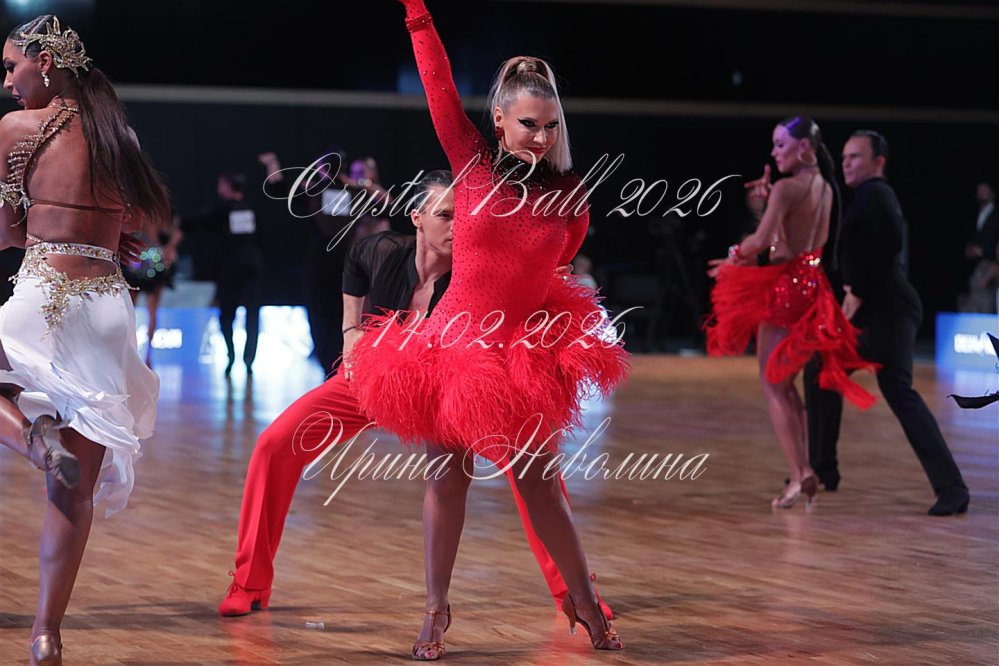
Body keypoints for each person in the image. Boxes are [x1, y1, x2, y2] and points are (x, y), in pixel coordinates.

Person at [345, 1, 630, 657]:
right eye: (528, 124)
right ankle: (435, 610)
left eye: (551, 126)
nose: (541, 137)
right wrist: (418, 15)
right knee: (446, 481)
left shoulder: (570, 199)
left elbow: (553, 268)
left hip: (516, 358)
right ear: (499, 119)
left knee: (541, 490)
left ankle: (584, 600)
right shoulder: (470, 163)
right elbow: (438, 85)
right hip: (451, 350)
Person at [218, 171, 611, 624]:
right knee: (275, 444)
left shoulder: (480, 274)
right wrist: (351, 330)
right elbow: (354, 266)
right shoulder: (381, 250)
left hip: (454, 389)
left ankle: (573, 592)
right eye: (445, 215)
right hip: (380, 378)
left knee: (532, 467)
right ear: (417, 217)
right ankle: (249, 582)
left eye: (465, 218)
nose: (458, 226)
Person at [0, 15, 168, 664]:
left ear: (44, 62)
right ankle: (46, 635)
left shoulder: (17, 130)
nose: (7, 82)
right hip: (106, 311)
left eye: (11, 67)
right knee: (73, 494)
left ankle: (33, 441)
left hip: (43, 294)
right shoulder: (117, 134)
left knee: (41, 442)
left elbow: (6, 232)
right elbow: (136, 226)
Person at [705, 116, 878, 511]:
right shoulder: (825, 186)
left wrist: (734, 256)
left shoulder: (788, 187)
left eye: (780, 144)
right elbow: (792, 239)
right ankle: (805, 467)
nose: (774, 152)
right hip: (814, 287)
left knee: (773, 384)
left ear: (803, 147)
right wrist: (770, 205)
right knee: (785, 384)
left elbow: (764, 240)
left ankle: (801, 473)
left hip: (786, 290)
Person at [807, 130, 970, 516]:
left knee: (897, 390)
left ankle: (953, 488)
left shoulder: (877, 194)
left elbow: (891, 240)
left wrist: (858, 292)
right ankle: (823, 468)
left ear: (878, 162)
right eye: (844, 157)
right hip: (871, 310)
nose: (847, 163)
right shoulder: (863, 197)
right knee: (820, 369)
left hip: (890, 311)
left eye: (855, 157)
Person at [186, 170, 263, 376]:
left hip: (233, 271)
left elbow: (196, 221)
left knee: (231, 315)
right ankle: (242, 358)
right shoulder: (250, 208)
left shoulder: (222, 210)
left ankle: (240, 358)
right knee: (246, 316)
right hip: (247, 269)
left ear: (228, 186)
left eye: (221, 184)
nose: (218, 188)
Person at [123, 210, 183, 366]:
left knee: (131, 311)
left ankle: (133, 353)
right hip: (151, 262)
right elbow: (175, 233)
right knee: (148, 312)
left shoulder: (135, 210)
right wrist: (170, 245)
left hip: (138, 262)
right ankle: (145, 355)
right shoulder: (159, 211)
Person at [959, 182, 998, 313]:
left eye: (984, 190)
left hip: (990, 264)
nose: (981, 193)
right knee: (973, 299)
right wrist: (970, 249)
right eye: (979, 190)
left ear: (992, 193)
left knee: (985, 298)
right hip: (975, 266)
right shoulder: (975, 214)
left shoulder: (996, 215)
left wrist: (987, 255)